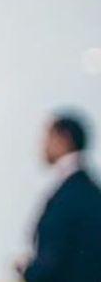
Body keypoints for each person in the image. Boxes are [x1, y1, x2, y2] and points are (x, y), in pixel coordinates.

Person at [16, 113, 101, 282]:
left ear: (64, 139)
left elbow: (57, 256)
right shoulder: (84, 189)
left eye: (48, 137)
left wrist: (29, 271)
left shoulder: (72, 193)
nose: (43, 145)